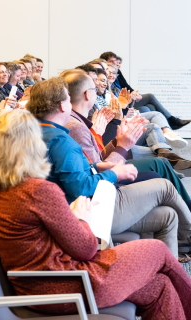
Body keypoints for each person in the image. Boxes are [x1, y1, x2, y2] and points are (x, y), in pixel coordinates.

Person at [0, 109, 191, 319]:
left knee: (160, 287)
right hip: (67, 284)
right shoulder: (38, 191)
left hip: (33, 285)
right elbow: (87, 249)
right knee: (158, 250)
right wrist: (81, 218)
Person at [27, 77, 191, 258]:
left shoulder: (37, 132)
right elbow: (78, 186)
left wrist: (96, 166)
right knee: (164, 186)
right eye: (67, 99)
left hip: (71, 210)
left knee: (168, 216)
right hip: (85, 212)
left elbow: (65, 173)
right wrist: (114, 173)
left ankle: (166, 268)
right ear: (62, 106)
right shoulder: (61, 140)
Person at [62, 70, 191, 209]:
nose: (98, 87)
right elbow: (98, 171)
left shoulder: (76, 121)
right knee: (158, 167)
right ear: (88, 94)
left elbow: (97, 160)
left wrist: (118, 140)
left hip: (105, 174)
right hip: (102, 188)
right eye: (93, 86)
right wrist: (122, 146)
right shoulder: (76, 127)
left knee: (160, 161)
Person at [100, 51, 190, 130]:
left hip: (127, 102)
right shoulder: (105, 83)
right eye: (112, 62)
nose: (115, 64)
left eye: (116, 62)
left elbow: (127, 87)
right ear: (104, 64)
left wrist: (135, 94)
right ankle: (170, 121)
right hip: (122, 106)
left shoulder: (117, 73)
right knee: (150, 97)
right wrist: (131, 97)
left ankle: (156, 134)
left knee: (149, 107)